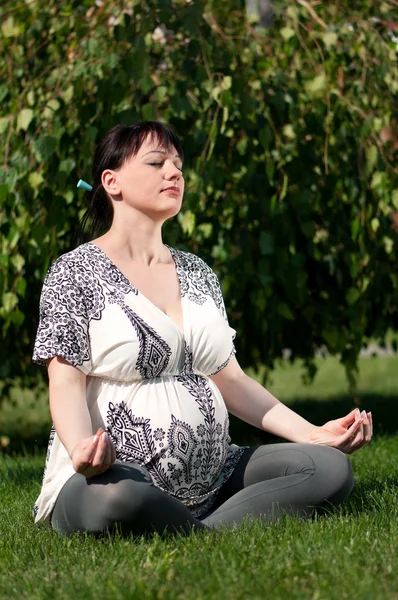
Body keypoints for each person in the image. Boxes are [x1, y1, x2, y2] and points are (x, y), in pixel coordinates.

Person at [32, 121, 372, 536]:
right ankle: (209, 528)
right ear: (111, 181)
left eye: (178, 165)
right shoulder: (73, 272)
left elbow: (231, 380)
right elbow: (65, 380)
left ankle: (198, 530)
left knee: (329, 467)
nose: (174, 173)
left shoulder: (197, 271)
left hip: (217, 473)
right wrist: (80, 448)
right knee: (117, 499)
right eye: (157, 163)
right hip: (109, 480)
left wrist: (314, 434)